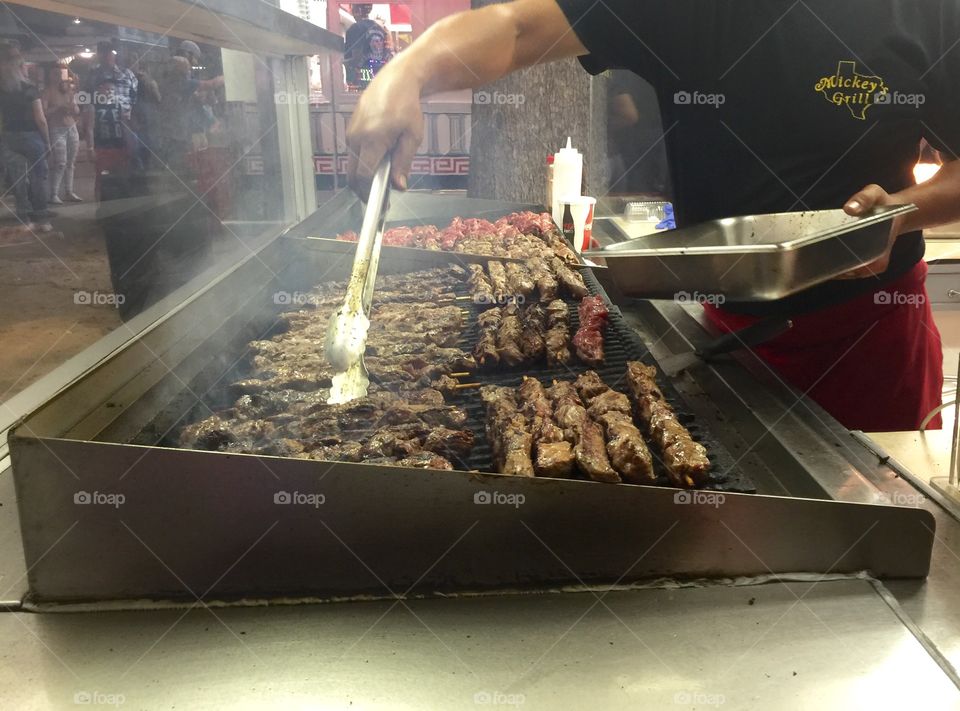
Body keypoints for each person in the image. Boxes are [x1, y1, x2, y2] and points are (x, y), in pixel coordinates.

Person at [346, 0, 960, 433]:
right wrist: (411, 67)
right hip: (729, 336)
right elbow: (516, 26)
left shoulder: (926, 10)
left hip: (872, 340)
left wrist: (899, 213)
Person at [0, 43, 52, 232]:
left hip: (8, 137)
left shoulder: (2, 90)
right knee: (38, 177)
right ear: (21, 68)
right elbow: (40, 119)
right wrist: (47, 142)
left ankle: (24, 220)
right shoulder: (29, 89)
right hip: (32, 136)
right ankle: (42, 219)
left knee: (18, 179)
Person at [83, 41, 140, 172]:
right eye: (102, 53)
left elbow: (135, 98)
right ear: (99, 55)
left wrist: (130, 113)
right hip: (102, 129)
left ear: (113, 55)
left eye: (109, 53)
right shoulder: (93, 75)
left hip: (125, 128)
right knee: (103, 172)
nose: (106, 56)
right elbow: (85, 99)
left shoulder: (127, 74)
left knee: (127, 167)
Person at [42, 65, 82, 203]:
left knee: (71, 162)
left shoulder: (68, 91)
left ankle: (69, 191)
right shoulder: (46, 92)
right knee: (60, 162)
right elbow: (43, 112)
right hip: (56, 128)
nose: (59, 76)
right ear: (50, 75)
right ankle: (54, 193)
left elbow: (76, 109)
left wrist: (73, 108)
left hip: (71, 127)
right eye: (55, 73)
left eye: (60, 73)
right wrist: (58, 108)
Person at [344, 4, 391, 89]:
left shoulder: (356, 28)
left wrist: (349, 67)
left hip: (361, 81)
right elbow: (386, 54)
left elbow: (356, 55)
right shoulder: (379, 28)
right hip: (378, 79)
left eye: (353, 9)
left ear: (357, 11)